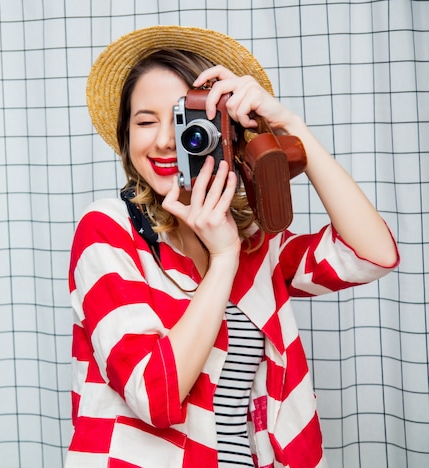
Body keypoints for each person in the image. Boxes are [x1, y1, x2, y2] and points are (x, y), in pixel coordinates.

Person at [66, 25, 399, 468]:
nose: (167, 140)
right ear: (126, 139)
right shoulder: (109, 229)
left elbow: (372, 255)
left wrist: (290, 127)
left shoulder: (254, 243)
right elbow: (154, 396)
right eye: (145, 122)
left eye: (187, 122)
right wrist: (222, 259)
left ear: (225, 133)